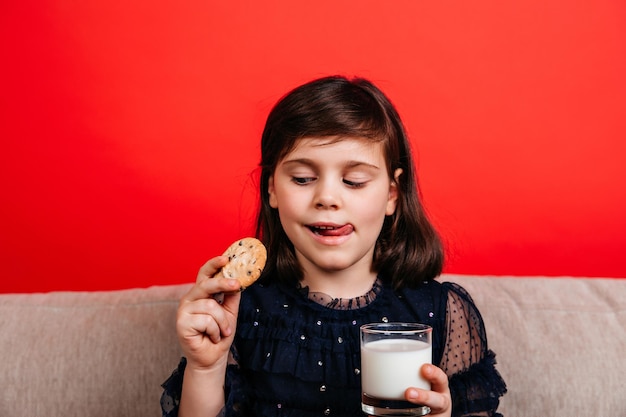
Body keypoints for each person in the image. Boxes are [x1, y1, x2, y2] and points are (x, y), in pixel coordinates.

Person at [161, 75, 507, 417]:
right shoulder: (240, 313)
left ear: (392, 194)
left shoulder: (442, 312)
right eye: (302, 179)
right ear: (272, 189)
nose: (327, 197)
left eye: (354, 181)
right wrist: (205, 367)